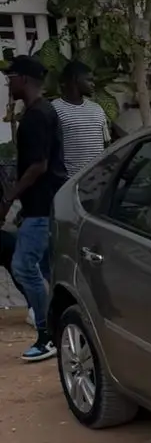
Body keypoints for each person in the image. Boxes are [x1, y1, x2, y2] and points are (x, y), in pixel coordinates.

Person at [0, 55, 67, 362]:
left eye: (10, 77)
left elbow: (37, 166)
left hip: (41, 206)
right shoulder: (39, 111)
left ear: (24, 80)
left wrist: (9, 198)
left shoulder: (37, 116)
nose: (7, 82)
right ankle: (59, 328)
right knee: (45, 269)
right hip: (42, 205)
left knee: (23, 266)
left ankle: (46, 335)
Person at [52, 60, 112, 177]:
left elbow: (107, 145)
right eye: (89, 80)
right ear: (75, 79)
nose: (93, 84)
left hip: (97, 180)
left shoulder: (97, 109)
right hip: (70, 181)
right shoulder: (55, 109)